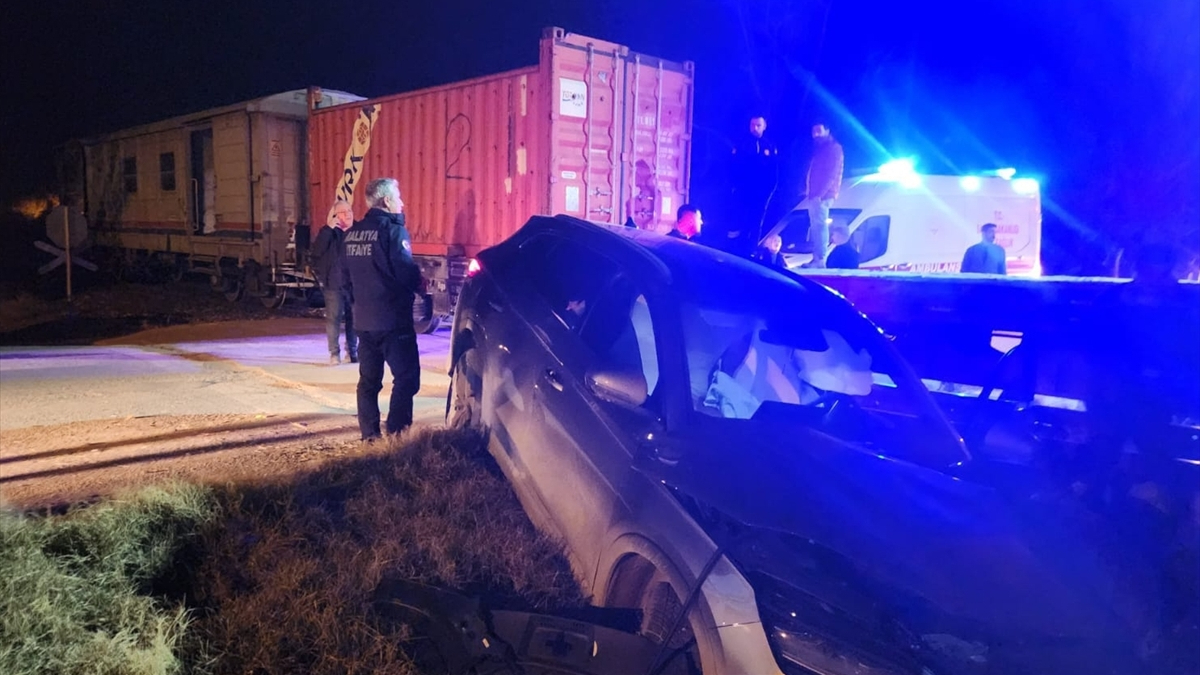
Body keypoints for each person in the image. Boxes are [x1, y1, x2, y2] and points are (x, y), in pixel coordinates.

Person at [341, 178, 423, 441]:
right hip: (393, 321)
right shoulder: (393, 231)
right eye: (398, 197)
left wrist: (358, 303)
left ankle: (370, 437)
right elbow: (404, 271)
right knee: (407, 378)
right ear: (386, 201)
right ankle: (397, 435)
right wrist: (420, 284)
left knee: (368, 382)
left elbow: (344, 278)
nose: (402, 203)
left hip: (364, 321)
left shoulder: (352, 233)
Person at [311, 199, 357, 365]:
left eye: (350, 211)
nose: (348, 214)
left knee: (354, 319)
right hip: (334, 283)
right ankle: (334, 353)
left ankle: (352, 352)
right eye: (344, 212)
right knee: (334, 318)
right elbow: (316, 252)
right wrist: (328, 229)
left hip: (354, 284)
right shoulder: (329, 233)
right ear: (335, 216)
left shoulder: (358, 232)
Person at [729, 114, 780, 255]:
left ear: (764, 126)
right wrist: (735, 188)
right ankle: (738, 251)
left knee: (756, 222)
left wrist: (769, 192)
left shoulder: (769, 146)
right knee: (741, 221)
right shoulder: (741, 144)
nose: (755, 128)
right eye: (752, 125)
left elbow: (773, 173)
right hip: (743, 192)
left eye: (758, 125)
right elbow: (733, 167)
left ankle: (752, 250)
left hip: (761, 194)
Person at [804, 123, 845, 268]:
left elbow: (831, 174)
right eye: (813, 131)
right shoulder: (822, 149)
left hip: (822, 195)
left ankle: (820, 259)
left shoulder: (833, 149)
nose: (815, 134)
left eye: (818, 130)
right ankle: (817, 258)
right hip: (816, 194)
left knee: (819, 225)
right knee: (816, 226)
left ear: (827, 130)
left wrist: (819, 194)